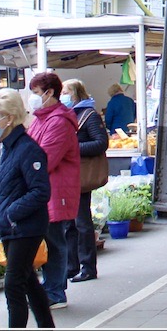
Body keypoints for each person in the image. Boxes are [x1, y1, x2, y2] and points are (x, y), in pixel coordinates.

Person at [0, 89, 55, 329]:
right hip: (12, 227)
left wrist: (11, 213)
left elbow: (41, 191)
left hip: (26, 227)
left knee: (13, 285)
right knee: (28, 281)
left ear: (9, 118)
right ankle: (47, 325)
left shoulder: (27, 149)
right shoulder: (3, 147)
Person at [27, 71, 81, 310]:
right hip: (44, 189)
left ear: (49, 93)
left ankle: (55, 292)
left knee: (54, 241)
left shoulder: (58, 121)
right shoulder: (41, 118)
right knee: (50, 240)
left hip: (54, 189)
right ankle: (51, 288)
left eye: (36, 93)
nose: (33, 98)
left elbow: (44, 159)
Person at [61, 79, 108, 284]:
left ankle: (88, 266)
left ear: (75, 94)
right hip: (68, 176)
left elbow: (101, 143)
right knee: (68, 223)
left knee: (81, 222)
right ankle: (72, 266)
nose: (62, 95)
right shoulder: (69, 115)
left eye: (66, 92)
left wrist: (73, 150)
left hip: (80, 176)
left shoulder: (89, 115)